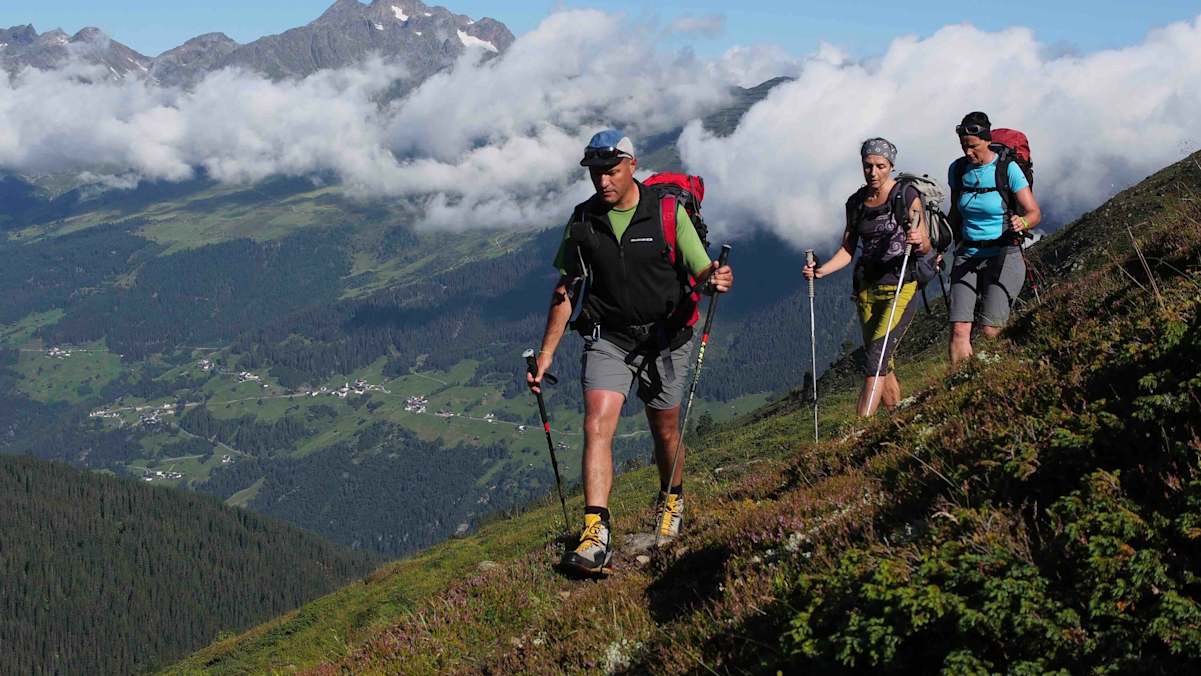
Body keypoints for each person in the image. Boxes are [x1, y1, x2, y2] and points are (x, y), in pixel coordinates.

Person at [527, 129, 734, 575]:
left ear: (632, 166)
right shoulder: (584, 220)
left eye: (611, 171)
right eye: (595, 173)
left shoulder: (667, 213)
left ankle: (672, 499)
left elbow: (700, 270)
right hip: (609, 338)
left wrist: (714, 278)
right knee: (597, 423)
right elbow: (566, 289)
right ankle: (595, 533)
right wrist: (546, 354)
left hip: (667, 338)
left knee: (665, 430)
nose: (602, 181)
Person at [803, 137, 930, 416]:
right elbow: (848, 249)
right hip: (867, 291)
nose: (873, 172)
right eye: (868, 165)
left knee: (875, 360)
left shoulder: (906, 195)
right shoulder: (856, 203)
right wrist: (820, 271)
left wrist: (918, 240)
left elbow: (925, 244)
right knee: (884, 362)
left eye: (880, 166)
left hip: (901, 286)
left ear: (891, 166)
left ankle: (859, 428)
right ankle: (897, 421)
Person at [947, 112, 1042, 364]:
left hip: (1003, 253)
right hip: (967, 254)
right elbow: (955, 213)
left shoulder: (1007, 169)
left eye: (974, 146)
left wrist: (1022, 222)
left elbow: (1034, 213)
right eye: (964, 147)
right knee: (959, 329)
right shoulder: (958, 170)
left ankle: (1009, 371)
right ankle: (960, 383)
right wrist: (938, 246)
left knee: (990, 330)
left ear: (987, 141)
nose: (968, 152)